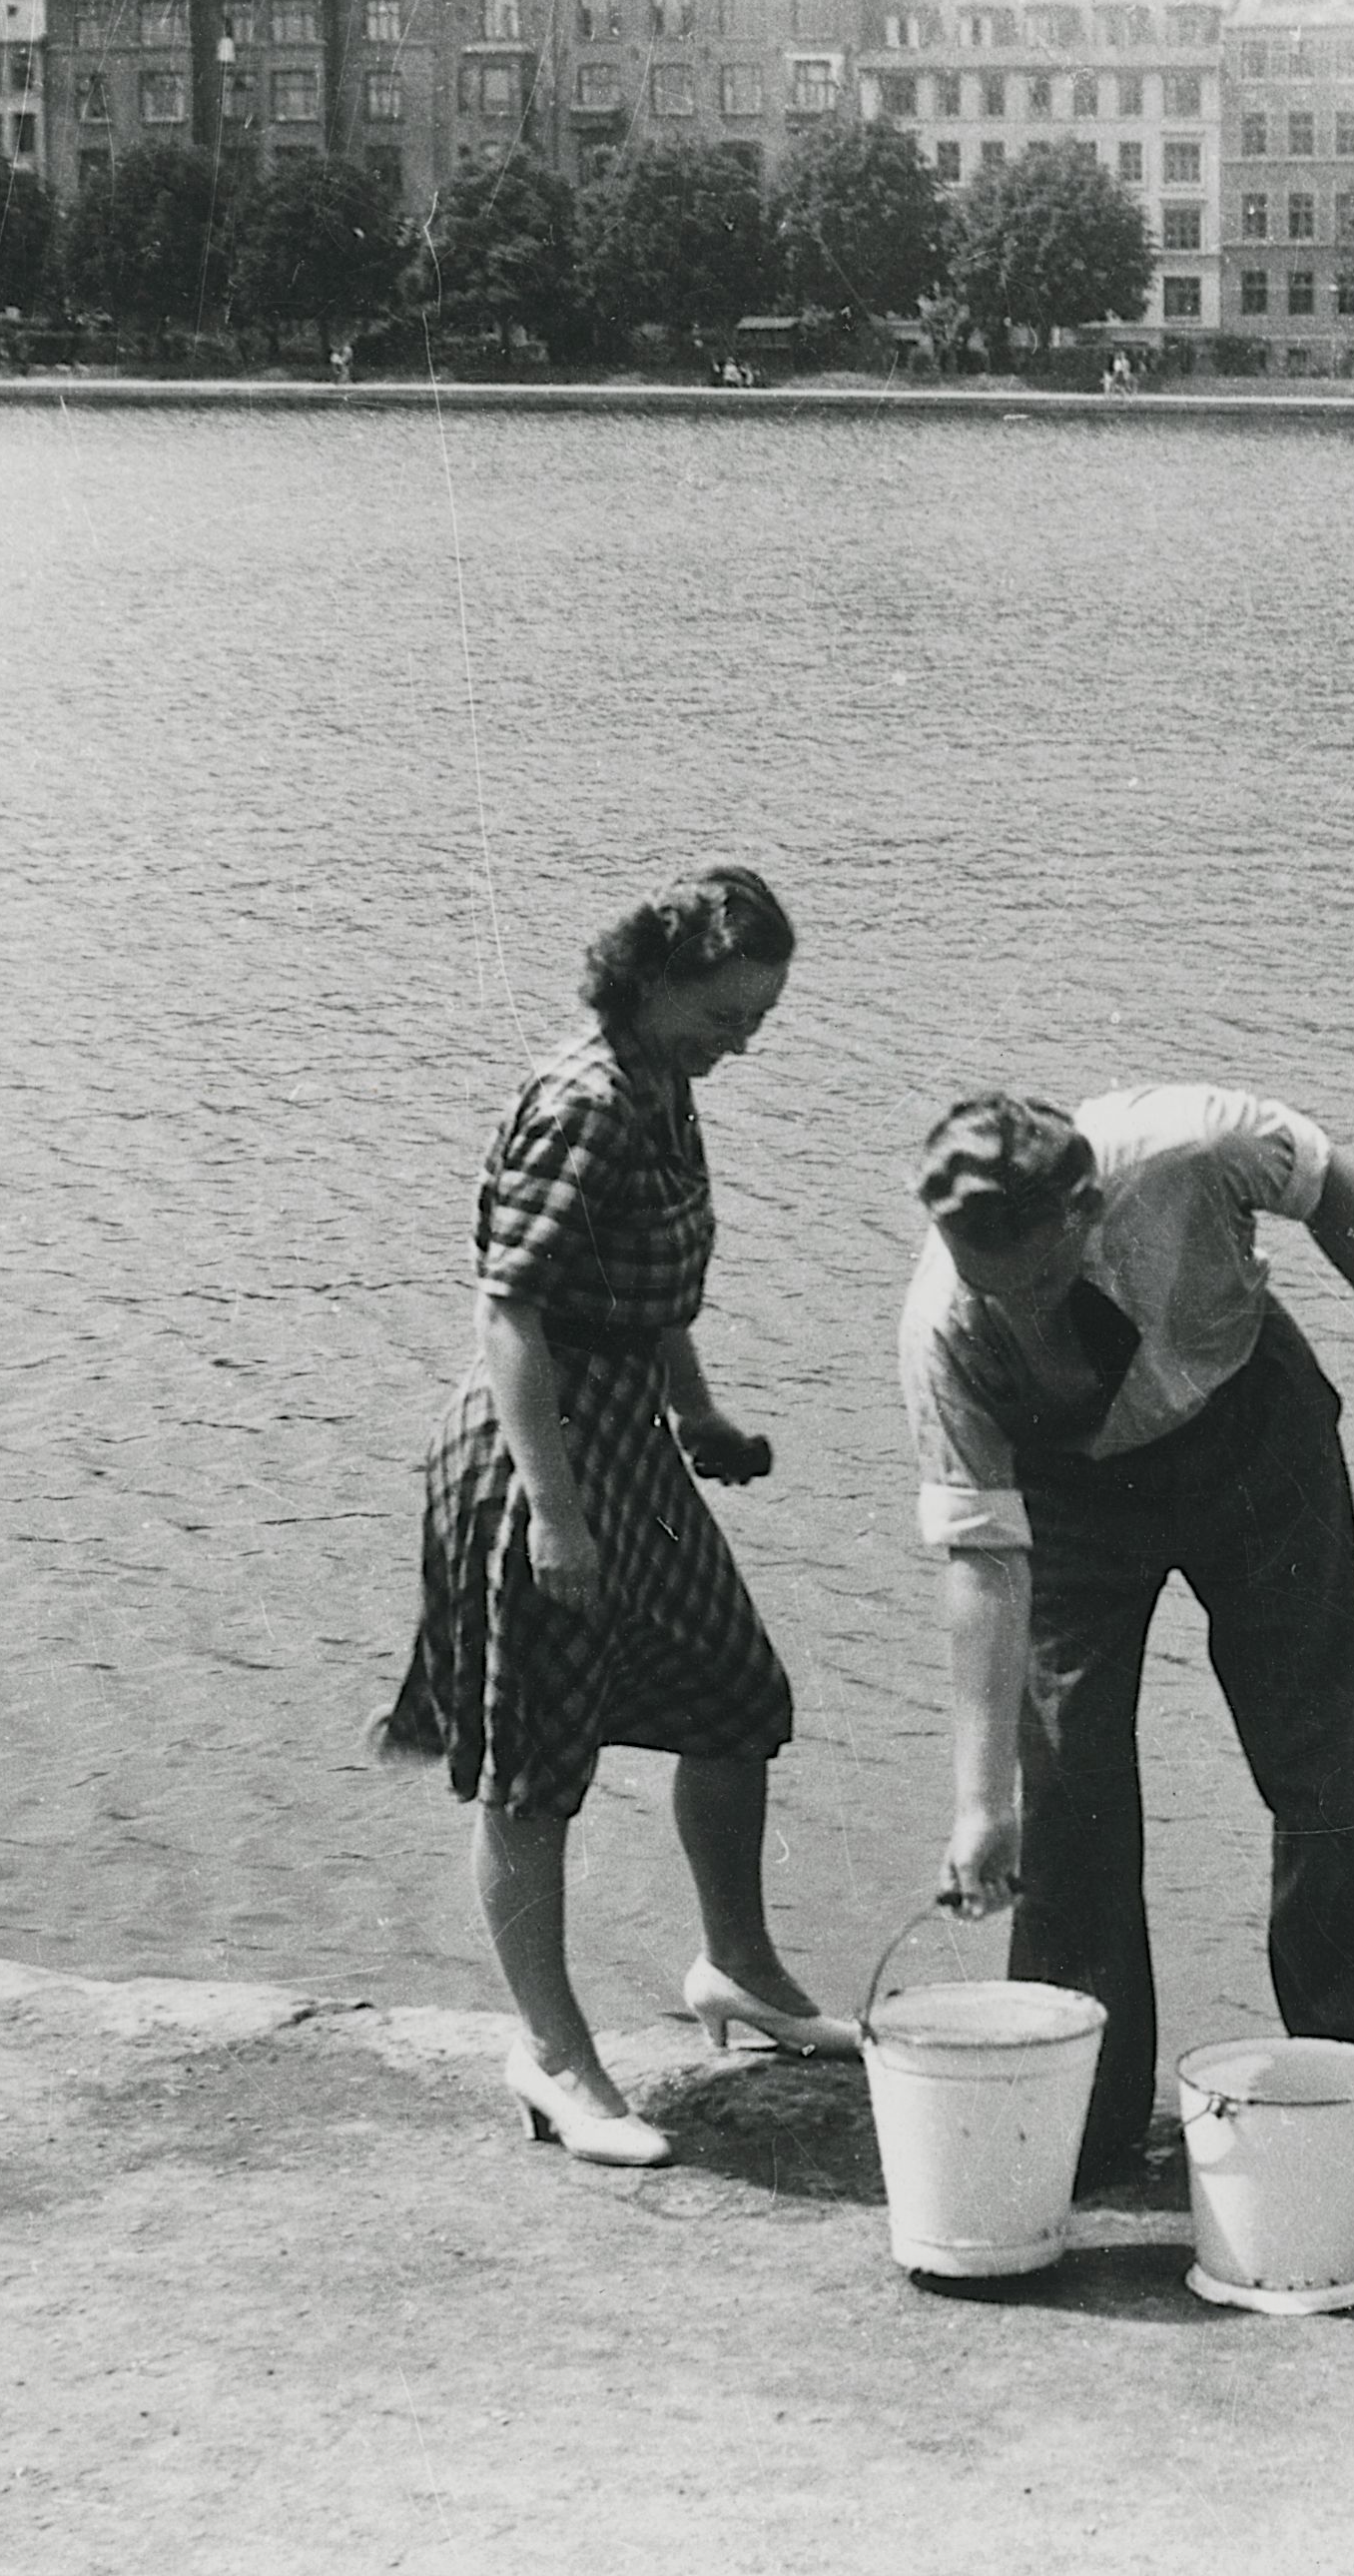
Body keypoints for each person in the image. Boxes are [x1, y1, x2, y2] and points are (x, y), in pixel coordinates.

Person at [900, 1087, 1354, 2188]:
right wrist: (979, 1804)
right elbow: (981, 1562)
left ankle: (1351, 2083)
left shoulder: (1190, 1146)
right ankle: (1085, 2121)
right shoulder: (944, 1327)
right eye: (987, 1288)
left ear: (1083, 1212)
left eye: (1037, 1283)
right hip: (1071, 1494)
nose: (1015, 1315)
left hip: (1252, 1429)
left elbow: (1328, 1186)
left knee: (1321, 1751)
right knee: (1065, 1784)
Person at [380, 865, 855, 2170]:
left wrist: (697, 1414)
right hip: (534, 1454)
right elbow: (512, 1311)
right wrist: (555, 1515)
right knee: (533, 1766)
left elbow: (645, 1290)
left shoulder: (662, 1084)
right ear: (650, 981)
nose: (740, 1042)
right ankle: (551, 2054)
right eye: (724, 1015)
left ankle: (738, 1966)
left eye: (758, 1019)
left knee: (736, 1694)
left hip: (629, 1440)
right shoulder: (585, 1103)